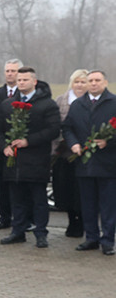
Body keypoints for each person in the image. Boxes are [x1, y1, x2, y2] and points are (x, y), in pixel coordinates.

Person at [0, 67, 60, 248]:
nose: (21, 82)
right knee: (17, 200)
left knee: (39, 200)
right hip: (14, 163)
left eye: (25, 80)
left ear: (34, 82)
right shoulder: (7, 105)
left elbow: (53, 130)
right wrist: (4, 147)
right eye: (19, 79)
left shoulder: (47, 104)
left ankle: (40, 233)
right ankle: (18, 231)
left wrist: (28, 141)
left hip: (37, 161)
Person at [63, 70, 116, 256]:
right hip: (84, 163)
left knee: (108, 205)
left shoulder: (113, 102)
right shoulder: (78, 104)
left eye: (97, 80)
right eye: (90, 80)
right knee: (87, 203)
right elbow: (67, 128)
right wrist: (73, 144)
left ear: (105, 82)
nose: (93, 83)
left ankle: (108, 240)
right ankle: (91, 238)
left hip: (107, 163)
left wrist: (108, 142)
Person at [52, 69, 89, 237]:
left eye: (83, 82)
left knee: (81, 191)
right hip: (64, 152)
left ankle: (82, 222)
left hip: (86, 153)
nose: (79, 85)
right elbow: (56, 124)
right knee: (65, 189)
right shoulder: (61, 100)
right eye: (77, 82)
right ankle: (71, 220)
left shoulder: (91, 101)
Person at [0, 59, 22, 230]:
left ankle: (23, 219)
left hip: (20, 147)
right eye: (8, 70)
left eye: (14, 71)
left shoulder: (25, 93)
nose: (10, 73)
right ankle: (4, 217)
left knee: (19, 183)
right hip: (0, 147)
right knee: (1, 182)